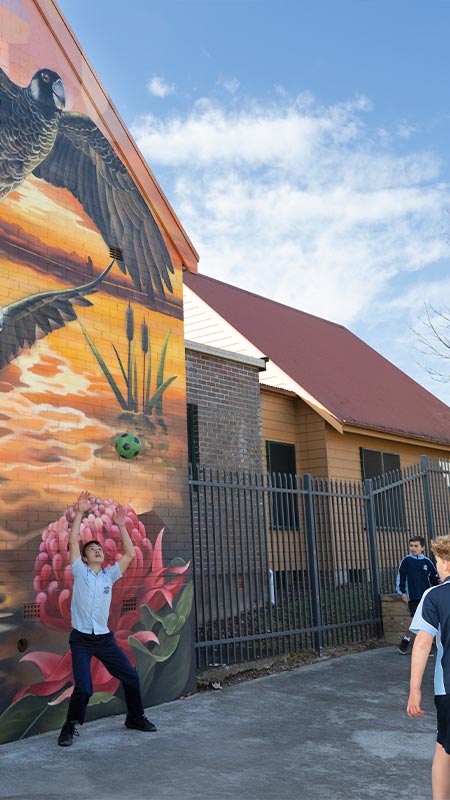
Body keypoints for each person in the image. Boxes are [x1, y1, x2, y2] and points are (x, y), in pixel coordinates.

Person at [57, 490, 157, 747]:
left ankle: (135, 717)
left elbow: (130, 555)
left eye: (100, 549)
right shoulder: (80, 571)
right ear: (85, 557)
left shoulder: (108, 576)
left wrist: (122, 525)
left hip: (104, 639)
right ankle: (69, 727)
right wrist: (79, 512)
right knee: (84, 688)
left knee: (131, 677)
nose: (98, 551)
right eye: (92, 549)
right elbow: (71, 543)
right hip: (81, 640)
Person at [407, 534, 450, 800]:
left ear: (446, 564)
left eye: (438, 560)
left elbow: (423, 642)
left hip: (448, 688)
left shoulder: (435, 595)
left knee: (444, 751)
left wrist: (414, 689)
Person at [396, 536, 440, 655]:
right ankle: (407, 641)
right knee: (415, 619)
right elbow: (401, 577)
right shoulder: (406, 561)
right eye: (411, 546)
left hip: (426, 597)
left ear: (422, 548)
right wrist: (402, 592)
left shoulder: (427, 562)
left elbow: (434, 578)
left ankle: (421, 644)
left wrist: (440, 581)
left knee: (424, 620)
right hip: (413, 597)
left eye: (416, 546)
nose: (413, 548)